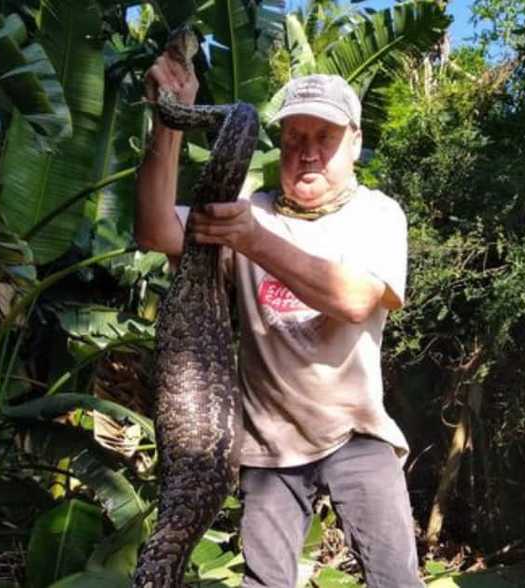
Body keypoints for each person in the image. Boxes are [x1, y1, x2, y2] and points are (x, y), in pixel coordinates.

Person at [137, 50, 420, 587]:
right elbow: (154, 229)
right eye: (294, 139)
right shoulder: (250, 210)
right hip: (268, 451)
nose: (307, 154)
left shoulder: (376, 214)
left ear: (354, 143)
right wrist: (169, 117)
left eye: (324, 139)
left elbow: (357, 299)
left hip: (357, 434)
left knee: (396, 580)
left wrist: (252, 240)